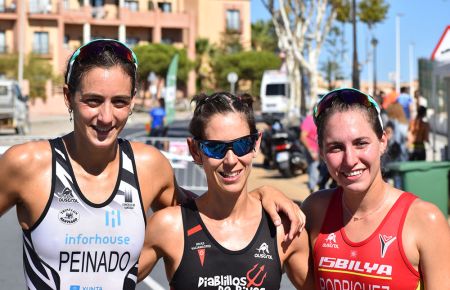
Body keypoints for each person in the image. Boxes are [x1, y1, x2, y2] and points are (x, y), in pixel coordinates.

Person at [0, 39, 304, 289]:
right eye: (92, 100)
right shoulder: (27, 164)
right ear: (68, 97)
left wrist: (260, 196)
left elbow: (206, 214)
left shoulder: (149, 167)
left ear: (133, 101)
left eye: (119, 102)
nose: (106, 117)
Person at [138, 92, 313, 289]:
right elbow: (107, 279)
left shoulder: (283, 229)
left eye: (241, 145)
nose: (230, 160)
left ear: (256, 143)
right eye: (215, 148)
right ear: (195, 150)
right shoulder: (169, 226)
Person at [302, 88, 450, 289]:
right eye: (336, 147)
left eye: (361, 143)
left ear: (382, 142)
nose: (350, 160)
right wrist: (264, 194)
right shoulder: (315, 210)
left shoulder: (425, 221)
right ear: (322, 153)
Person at [300, 113, 330, 192]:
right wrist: (310, 150)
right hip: (313, 150)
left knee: (324, 173)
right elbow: (303, 136)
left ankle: (323, 192)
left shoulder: (323, 119)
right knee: (314, 170)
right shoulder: (309, 120)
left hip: (322, 151)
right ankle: (314, 194)